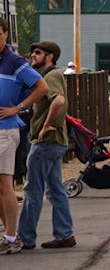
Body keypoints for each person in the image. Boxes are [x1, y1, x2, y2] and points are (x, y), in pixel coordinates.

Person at [18, 41, 74, 250]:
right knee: (55, 190)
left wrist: (45, 127)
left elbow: (58, 101)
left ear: (50, 56)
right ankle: (65, 234)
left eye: (38, 52)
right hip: (55, 142)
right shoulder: (48, 76)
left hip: (46, 142)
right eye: (32, 51)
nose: (33, 55)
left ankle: (25, 237)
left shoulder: (51, 76)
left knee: (32, 189)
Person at [0, 17, 47, 254]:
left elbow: (42, 87)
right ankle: (9, 233)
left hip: (5, 130)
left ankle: (11, 237)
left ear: (6, 34)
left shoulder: (14, 61)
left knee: (5, 185)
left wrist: (18, 108)